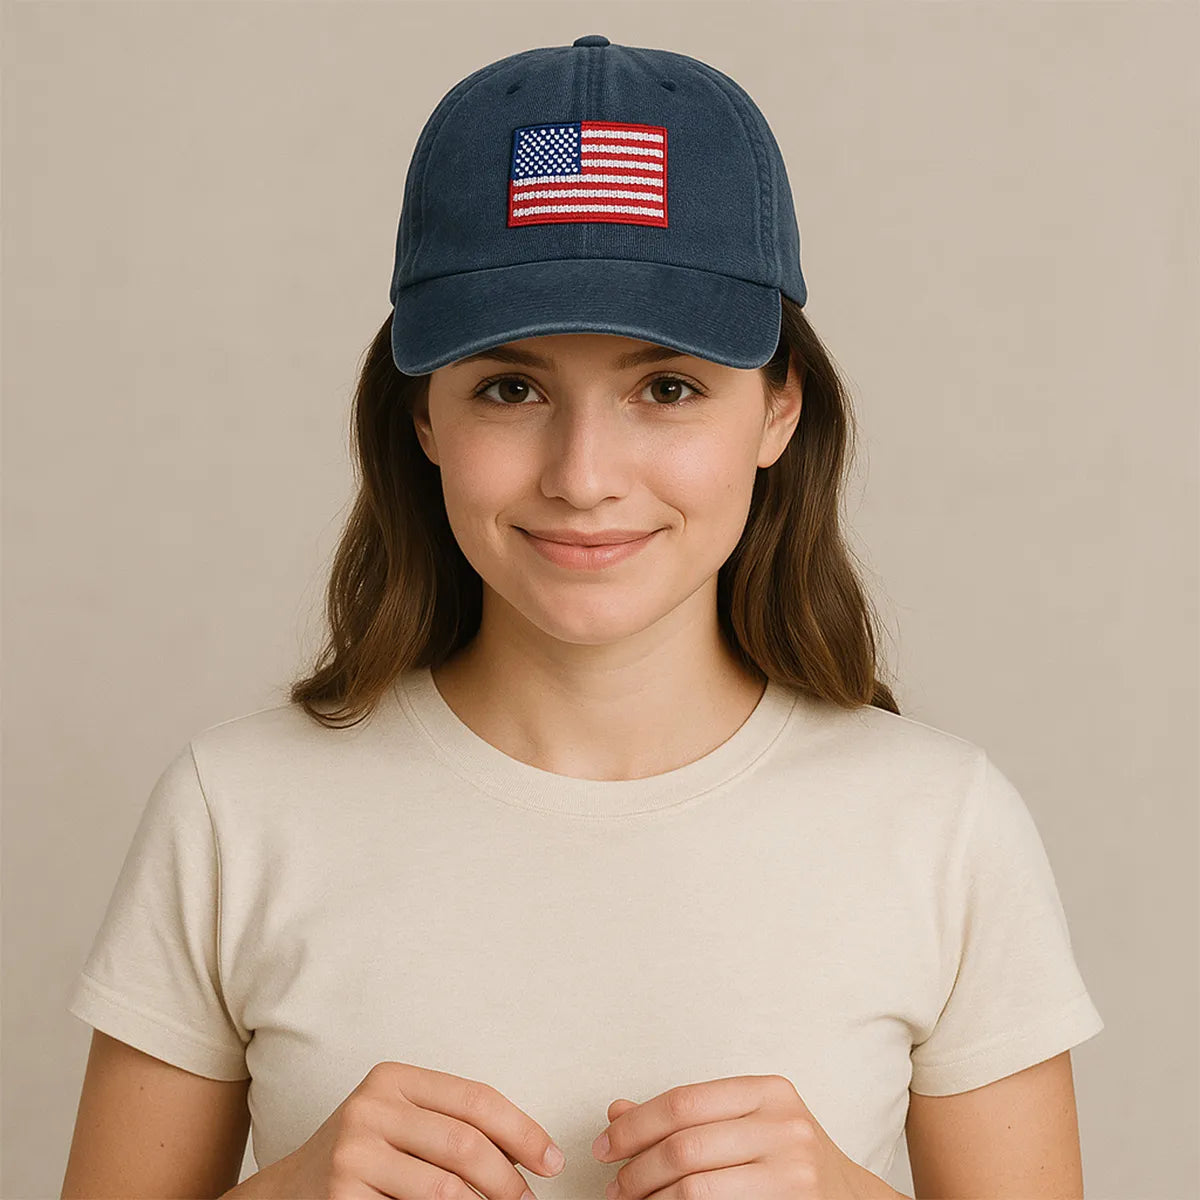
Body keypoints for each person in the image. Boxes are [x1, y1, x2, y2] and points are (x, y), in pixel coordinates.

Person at [62, 34, 1104, 1200]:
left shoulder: (943, 828)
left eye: (667, 388)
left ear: (777, 413)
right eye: (510, 389)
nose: (583, 473)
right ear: (421, 422)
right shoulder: (236, 813)